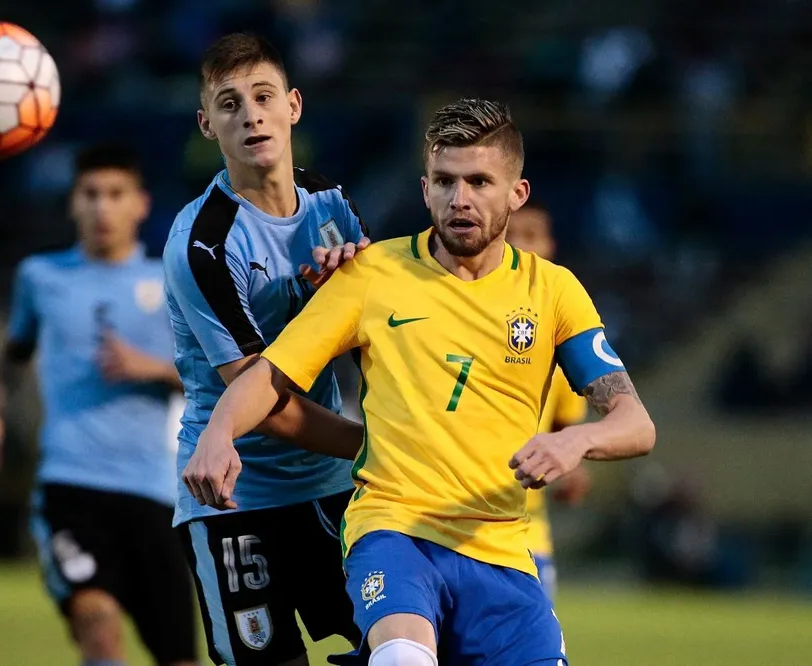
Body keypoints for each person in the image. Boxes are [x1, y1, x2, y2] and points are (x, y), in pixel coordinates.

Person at [185, 98, 657, 666]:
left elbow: (636, 424)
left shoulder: (553, 292)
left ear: (517, 194)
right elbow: (267, 378)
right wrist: (219, 432)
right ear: (424, 188)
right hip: (394, 533)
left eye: (480, 181)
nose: (460, 199)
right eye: (445, 181)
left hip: (502, 549)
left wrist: (575, 439)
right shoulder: (370, 274)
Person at [164, 32, 367, 666]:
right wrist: (374, 447)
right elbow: (260, 398)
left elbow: (381, 339)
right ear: (207, 125)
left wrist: (356, 297)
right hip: (235, 501)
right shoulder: (202, 242)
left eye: (263, 96)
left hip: (333, 493)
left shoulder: (332, 206)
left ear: (293, 106)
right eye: (228, 104)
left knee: (400, 646)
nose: (249, 114)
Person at [0, 143, 197, 666]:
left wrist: (152, 368)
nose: (101, 208)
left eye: (115, 195)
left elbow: (213, 382)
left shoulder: (170, 283)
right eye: (90, 194)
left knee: (180, 658)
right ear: (72, 202)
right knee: (96, 620)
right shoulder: (40, 277)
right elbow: (14, 353)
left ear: (140, 204)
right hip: (70, 486)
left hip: (153, 492)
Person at [505, 201, 592, 597]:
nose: (522, 246)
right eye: (511, 236)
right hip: (450, 525)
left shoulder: (560, 341)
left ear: (550, 246)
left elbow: (566, 434)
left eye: (531, 236)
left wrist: (570, 473)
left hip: (528, 533)